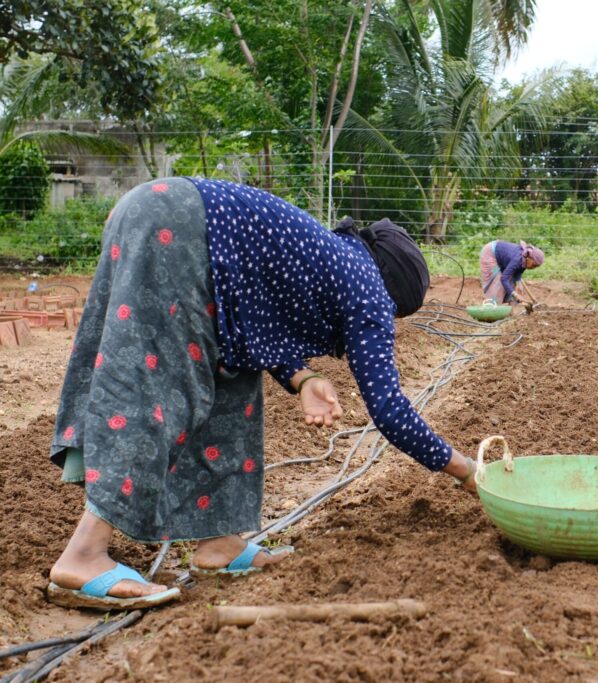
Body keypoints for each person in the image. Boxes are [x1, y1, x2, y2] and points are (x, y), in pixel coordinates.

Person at [46, 178, 478, 610]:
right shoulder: (369, 291)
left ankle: (220, 543)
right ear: (394, 290)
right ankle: (83, 555)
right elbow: (389, 409)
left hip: (162, 209)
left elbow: (254, 321)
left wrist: (304, 379)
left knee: (231, 381)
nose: (387, 321)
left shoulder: (336, 258)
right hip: (180, 229)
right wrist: (467, 471)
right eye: (395, 313)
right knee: (163, 385)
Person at [479, 239, 544, 307]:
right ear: (529, 258)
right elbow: (504, 278)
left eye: (536, 266)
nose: (534, 268)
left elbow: (517, 276)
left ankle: (512, 306)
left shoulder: (525, 259)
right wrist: (516, 295)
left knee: (516, 284)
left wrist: (517, 288)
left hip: (502, 255)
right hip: (490, 252)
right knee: (497, 283)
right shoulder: (517, 260)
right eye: (534, 265)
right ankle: (493, 307)